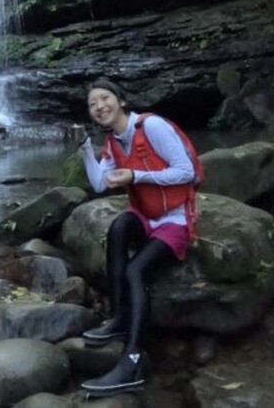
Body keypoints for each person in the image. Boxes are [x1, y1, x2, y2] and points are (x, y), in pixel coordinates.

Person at [76, 78, 197, 396]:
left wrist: (136, 175)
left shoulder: (152, 126)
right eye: (92, 103)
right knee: (118, 228)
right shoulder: (113, 140)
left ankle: (132, 361)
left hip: (174, 218)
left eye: (105, 98)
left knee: (135, 271)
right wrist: (85, 149)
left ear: (121, 101)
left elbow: (186, 171)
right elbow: (100, 184)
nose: (99, 106)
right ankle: (120, 317)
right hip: (145, 214)